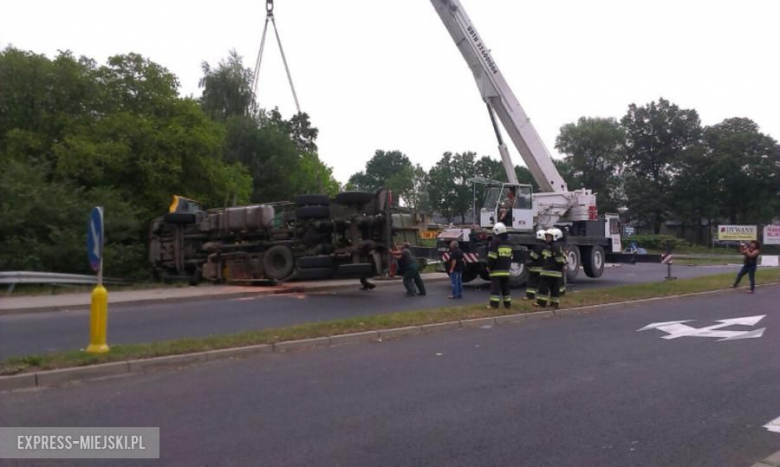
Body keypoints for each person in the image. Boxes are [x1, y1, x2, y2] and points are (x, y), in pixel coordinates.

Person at [535, 228, 566, 309]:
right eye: (547, 237)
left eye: (549, 237)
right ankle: (554, 304)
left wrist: (561, 264)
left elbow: (559, 258)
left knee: (543, 287)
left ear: (554, 237)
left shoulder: (554, 246)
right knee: (554, 289)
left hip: (549, 272)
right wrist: (561, 266)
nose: (548, 238)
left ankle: (541, 303)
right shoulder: (555, 246)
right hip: (555, 272)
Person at [486, 222, 512, 309]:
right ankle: (507, 304)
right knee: (506, 289)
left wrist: (489, 267)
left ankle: (494, 305)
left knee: (495, 289)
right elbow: (511, 256)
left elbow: (492, 256)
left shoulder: (495, 242)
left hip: (496, 270)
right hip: (506, 270)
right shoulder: (509, 242)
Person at [524, 229, 547, 300]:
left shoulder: (539, 246)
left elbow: (534, 256)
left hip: (535, 268)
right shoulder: (547, 246)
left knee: (531, 282)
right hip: (543, 268)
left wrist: (528, 261)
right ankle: (541, 297)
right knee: (541, 284)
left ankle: (530, 296)